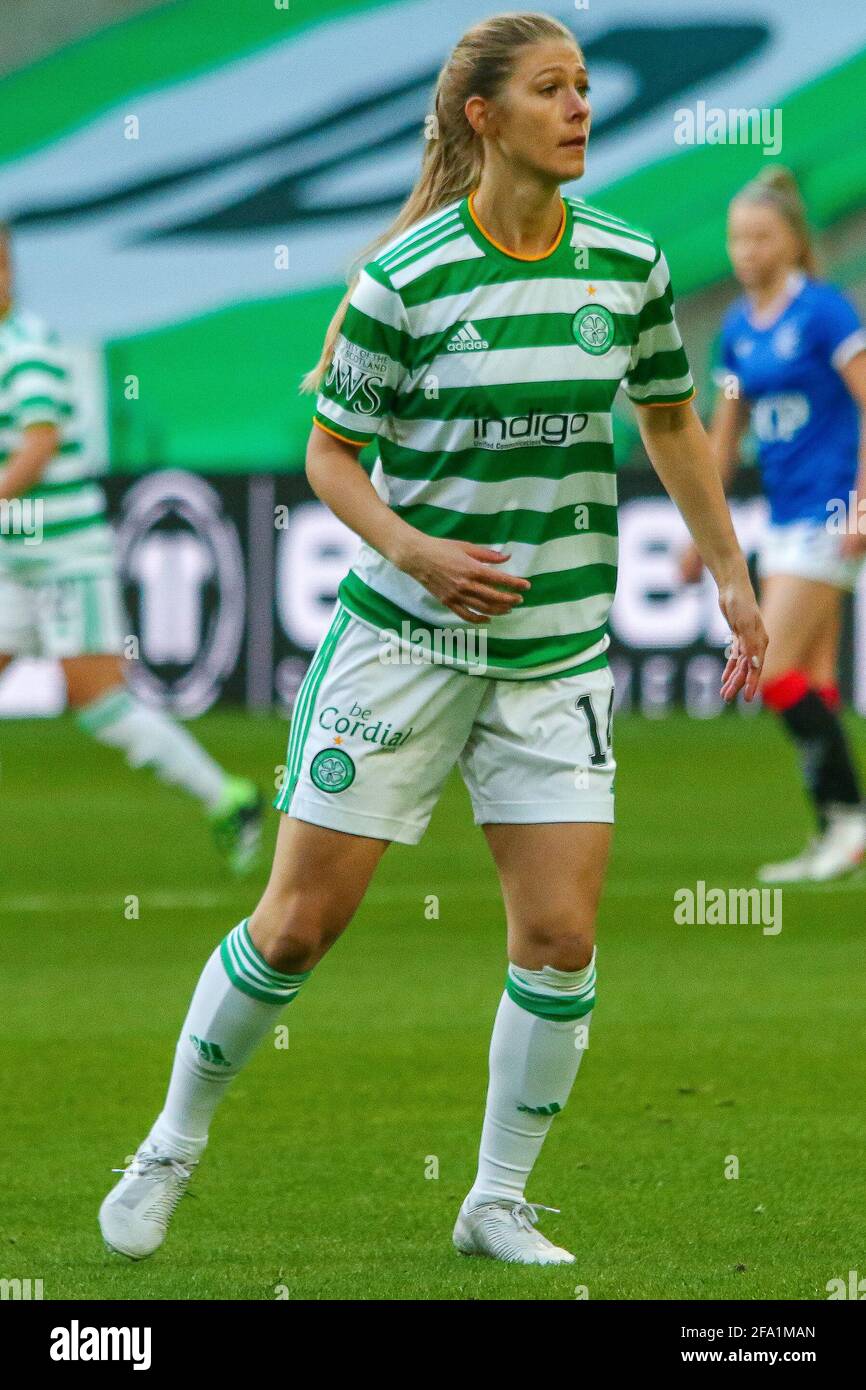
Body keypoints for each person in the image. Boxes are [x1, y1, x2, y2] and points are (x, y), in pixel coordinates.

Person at [99, 11, 765, 1267]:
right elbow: (329, 456)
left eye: (582, 88)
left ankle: (493, 1199)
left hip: (555, 649)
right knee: (296, 925)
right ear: (482, 117)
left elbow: (672, 422)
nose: (579, 108)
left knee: (562, 936)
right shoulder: (403, 279)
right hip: (404, 645)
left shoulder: (626, 263)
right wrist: (414, 550)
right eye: (551, 90)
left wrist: (728, 573)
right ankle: (171, 1144)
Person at [0, 224, 263, 875]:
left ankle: (228, 796)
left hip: (63, 560)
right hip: (15, 559)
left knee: (103, 705)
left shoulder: (26, 347)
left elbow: (38, 441)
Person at [681, 166, 866, 883]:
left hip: (828, 507)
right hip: (783, 513)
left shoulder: (824, 314)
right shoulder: (735, 330)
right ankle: (838, 829)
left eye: (761, 236)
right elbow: (721, 439)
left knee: (776, 666)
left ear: (792, 241)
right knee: (811, 679)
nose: (746, 250)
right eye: (736, 238)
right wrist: (704, 534)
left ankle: (849, 818)